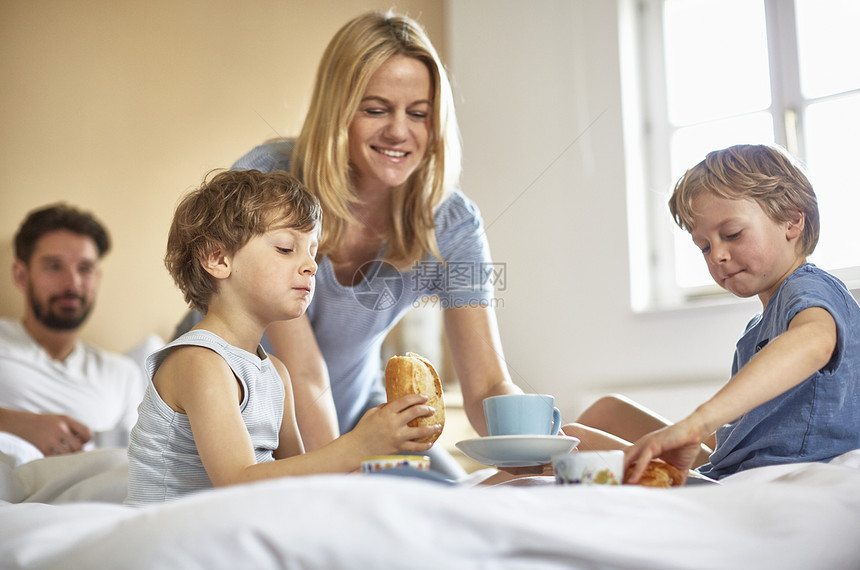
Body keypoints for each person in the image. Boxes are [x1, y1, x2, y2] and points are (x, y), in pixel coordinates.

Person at [175, 11, 521, 477]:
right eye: (376, 109)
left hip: (357, 415)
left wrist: (541, 443)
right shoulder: (273, 183)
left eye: (418, 113)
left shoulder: (452, 223)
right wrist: (344, 478)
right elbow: (303, 370)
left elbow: (487, 386)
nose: (400, 130)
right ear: (339, 110)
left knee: (450, 492)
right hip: (235, 418)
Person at [126, 169, 439, 506]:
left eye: (313, 253)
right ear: (218, 259)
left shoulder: (276, 374)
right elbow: (238, 482)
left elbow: (298, 482)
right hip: (172, 541)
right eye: (286, 248)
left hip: (230, 534)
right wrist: (354, 446)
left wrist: (373, 453)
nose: (311, 266)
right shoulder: (198, 362)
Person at [571, 144, 860, 485]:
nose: (717, 255)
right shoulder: (757, 329)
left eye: (732, 234)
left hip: (768, 470)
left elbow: (814, 342)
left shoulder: (811, 288)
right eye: (704, 246)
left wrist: (696, 423)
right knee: (607, 411)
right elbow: (747, 431)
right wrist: (688, 437)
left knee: (568, 444)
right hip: (733, 464)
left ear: (793, 220)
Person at [0, 203, 146, 457]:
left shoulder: (121, 375)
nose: (73, 283)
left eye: (85, 268)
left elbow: (136, 468)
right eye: (54, 266)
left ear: (97, 278)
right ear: (21, 276)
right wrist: (16, 423)